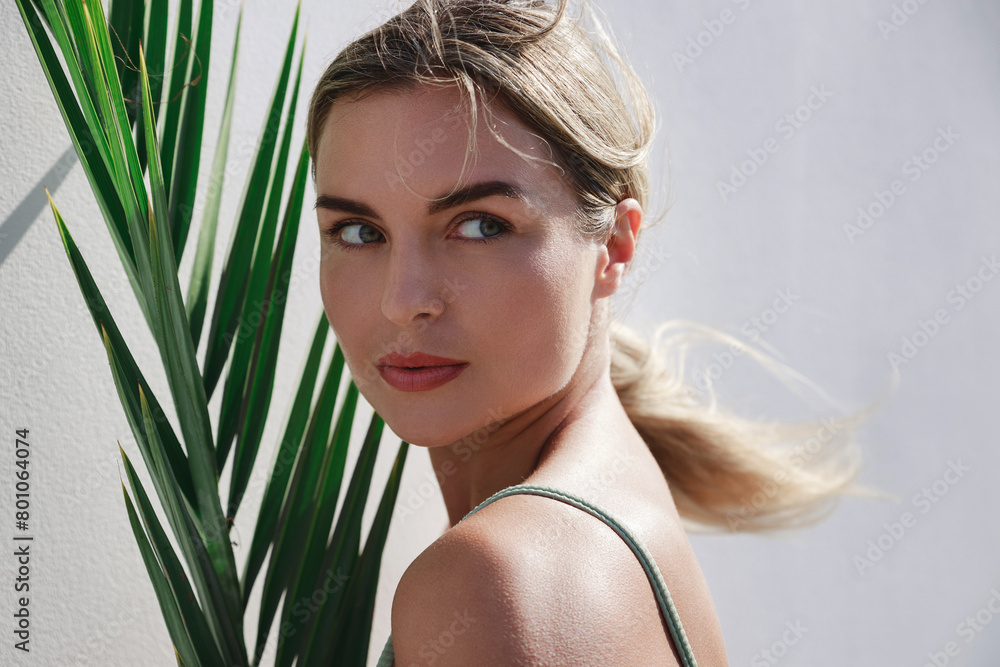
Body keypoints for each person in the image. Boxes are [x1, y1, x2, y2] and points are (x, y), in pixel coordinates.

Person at [306, 0, 866, 664]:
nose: (404, 301)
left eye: (481, 225)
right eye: (360, 232)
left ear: (615, 246)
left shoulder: (496, 578)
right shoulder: (610, 503)